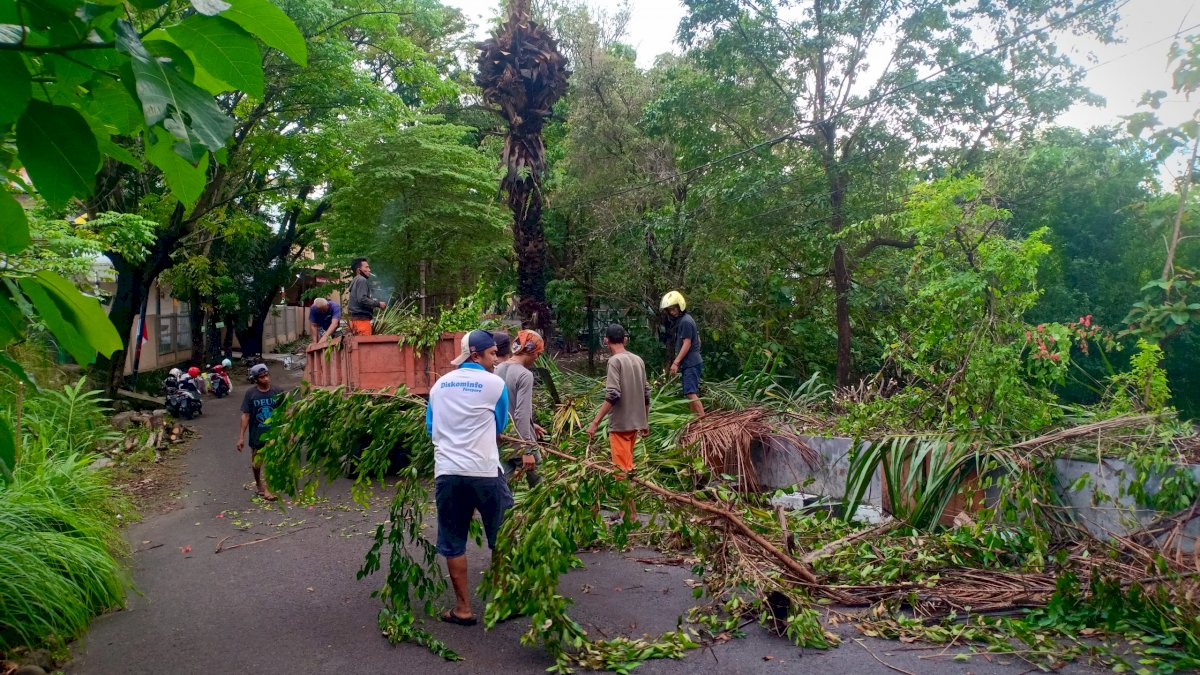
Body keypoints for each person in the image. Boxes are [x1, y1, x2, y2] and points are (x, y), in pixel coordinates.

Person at [425, 329, 512, 627]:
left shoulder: (438, 386)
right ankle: (503, 603)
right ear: (476, 354)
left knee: (453, 541)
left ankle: (463, 608)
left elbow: (430, 428)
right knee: (502, 536)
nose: (496, 359)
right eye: (492, 354)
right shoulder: (495, 384)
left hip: (448, 474)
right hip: (485, 472)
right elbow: (499, 426)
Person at [586, 324, 650, 523]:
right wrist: (645, 421)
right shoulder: (637, 360)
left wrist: (595, 422)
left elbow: (613, 394)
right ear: (625, 339)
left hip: (621, 425)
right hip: (636, 423)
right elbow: (647, 393)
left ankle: (632, 516)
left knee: (622, 472)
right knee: (626, 468)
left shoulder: (615, 361)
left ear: (606, 340)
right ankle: (624, 512)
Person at [496, 329, 545, 487]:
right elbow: (521, 413)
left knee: (504, 491)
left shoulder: (497, 369)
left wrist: (532, 424)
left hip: (502, 439)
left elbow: (507, 407)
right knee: (542, 489)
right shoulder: (525, 375)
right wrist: (528, 450)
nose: (537, 358)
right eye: (538, 353)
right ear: (530, 351)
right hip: (520, 442)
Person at [236, 363, 279, 501]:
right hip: (257, 435)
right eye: (262, 377)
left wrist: (290, 433)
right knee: (257, 463)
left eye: (267, 375)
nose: (266, 379)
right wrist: (241, 437)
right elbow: (246, 415)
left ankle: (269, 488)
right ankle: (259, 484)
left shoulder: (277, 392)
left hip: (274, 433)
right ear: (256, 379)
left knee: (272, 461)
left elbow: (285, 412)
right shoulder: (251, 394)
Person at [661, 290, 704, 417]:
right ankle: (693, 419)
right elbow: (698, 340)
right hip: (692, 361)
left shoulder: (685, 321)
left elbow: (687, 343)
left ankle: (703, 420)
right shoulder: (686, 320)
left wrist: (676, 362)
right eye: (670, 310)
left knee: (691, 393)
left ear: (680, 306)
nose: (672, 312)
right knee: (690, 392)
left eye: (674, 309)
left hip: (690, 363)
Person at [347, 258, 385, 335]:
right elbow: (362, 299)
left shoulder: (355, 280)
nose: (369, 270)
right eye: (366, 267)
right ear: (358, 270)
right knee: (364, 346)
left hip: (354, 321)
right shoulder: (362, 280)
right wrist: (378, 304)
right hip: (362, 322)